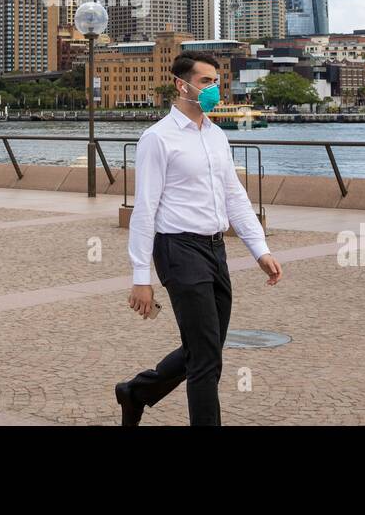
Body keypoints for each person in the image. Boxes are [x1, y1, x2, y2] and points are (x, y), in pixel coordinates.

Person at [115, 51, 283, 427]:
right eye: (205, 81)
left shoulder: (217, 135)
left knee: (205, 347)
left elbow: (234, 195)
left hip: (214, 248)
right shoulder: (157, 138)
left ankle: (137, 393)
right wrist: (141, 277)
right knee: (207, 359)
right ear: (182, 84)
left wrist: (260, 249)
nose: (214, 89)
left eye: (216, 81)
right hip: (178, 249)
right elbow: (144, 209)